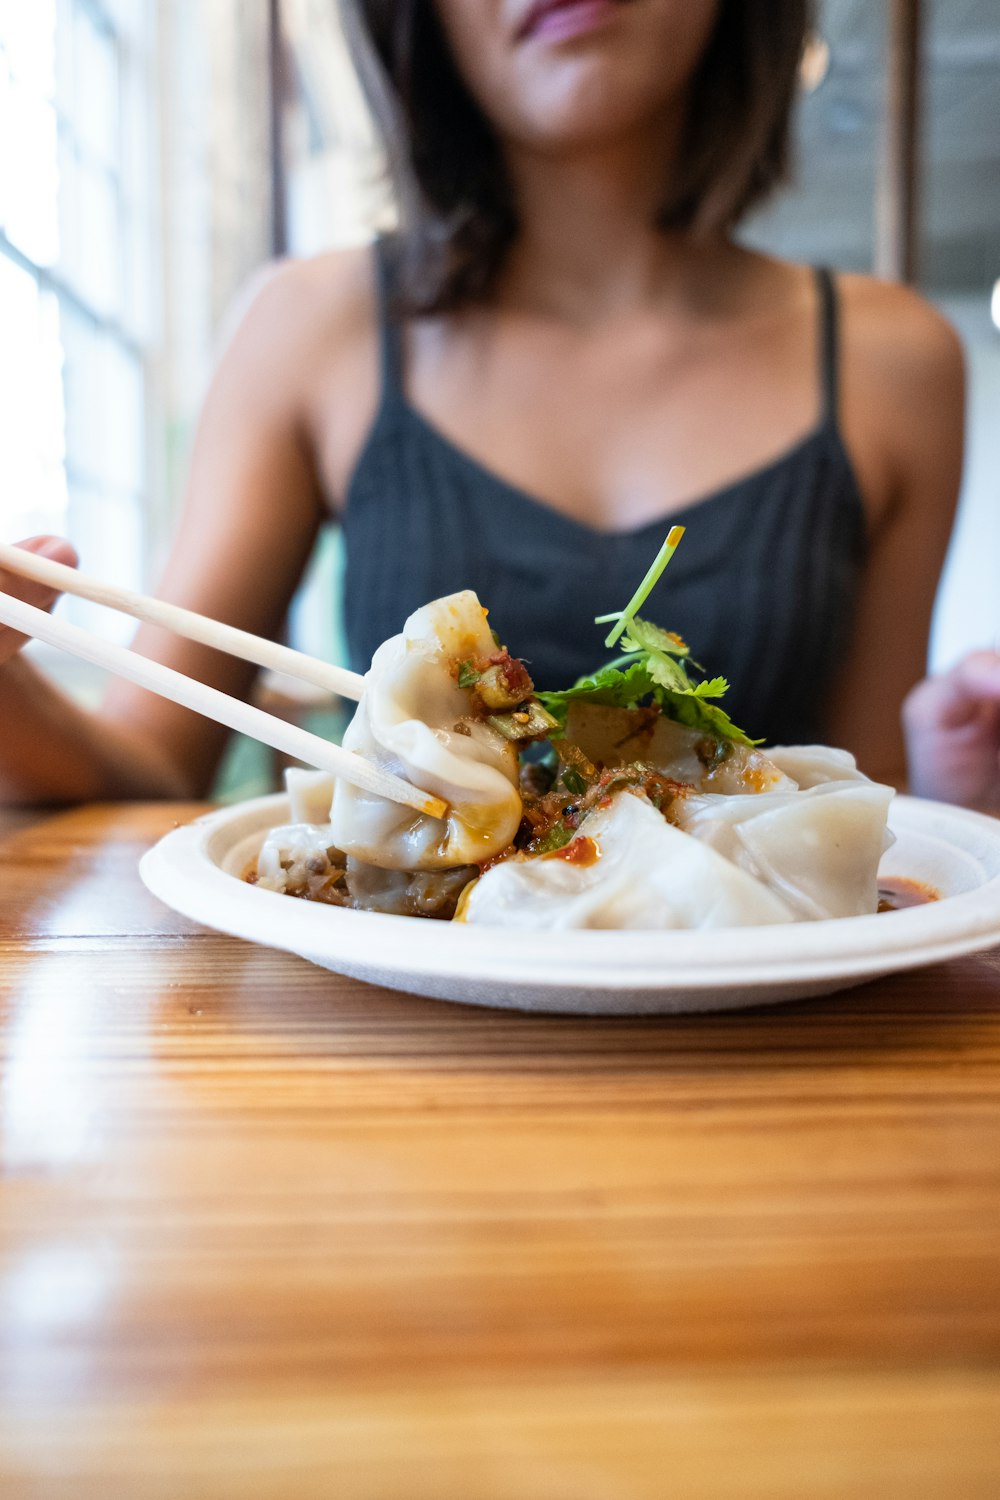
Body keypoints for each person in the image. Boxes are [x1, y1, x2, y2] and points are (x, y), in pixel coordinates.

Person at [0, 0, 985, 807]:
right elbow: (155, 764)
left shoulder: (891, 359)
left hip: (768, 1037)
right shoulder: (310, 325)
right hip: (387, 1023)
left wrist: (961, 783)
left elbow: (864, 806)